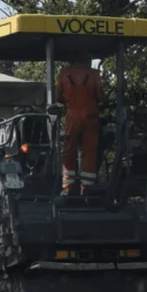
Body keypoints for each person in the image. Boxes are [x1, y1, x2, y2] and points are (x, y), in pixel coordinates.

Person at [56, 54, 103, 195]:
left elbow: (58, 97)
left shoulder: (63, 74)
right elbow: (100, 95)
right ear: (87, 60)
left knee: (69, 149)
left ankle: (68, 186)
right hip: (91, 115)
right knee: (89, 151)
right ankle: (87, 187)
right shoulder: (94, 74)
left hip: (72, 115)